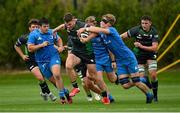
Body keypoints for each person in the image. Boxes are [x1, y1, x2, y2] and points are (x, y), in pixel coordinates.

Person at [77, 14, 153, 103]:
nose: (101, 22)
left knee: (136, 81)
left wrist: (85, 28)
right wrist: (84, 36)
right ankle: (143, 79)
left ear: (109, 24)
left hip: (128, 57)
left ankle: (149, 94)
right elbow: (95, 32)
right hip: (120, 60)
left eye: (104, 21)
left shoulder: (111, 30)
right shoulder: (102, 33)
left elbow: (98, 30)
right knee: (125, 85)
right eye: (101, 20)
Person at [54, 13, 110, 104]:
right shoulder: (67, 25)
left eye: (70, 24)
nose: (68, 26)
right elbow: (62, 26)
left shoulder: (82, 25)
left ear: (74, 20)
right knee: (68, 66)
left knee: (95, 77)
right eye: (67, 24)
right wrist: (54, 30)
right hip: (76, 52)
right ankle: (75, 87)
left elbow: (96, 32)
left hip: (88, 53)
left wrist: (87, 39)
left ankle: (105, 95)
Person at [27, 17, 72, 104]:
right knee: (54, 82)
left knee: (57, 75)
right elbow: (30, 48)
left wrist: (61, 47)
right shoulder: (33, 35)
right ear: (40, 27)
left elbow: (59, 39)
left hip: (53, 57)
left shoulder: (51, 32)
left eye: (48, 26)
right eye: (45, 26)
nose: (47, 28)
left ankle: (61, 96)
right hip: (42, 62)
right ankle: (65, 92)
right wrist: (41, 45)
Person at [14, 19, 57, 101]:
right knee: (40, 78)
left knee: (43, 78)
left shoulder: (42, 36)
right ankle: (50, 94)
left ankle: (43, 92)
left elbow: (50, 44)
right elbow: (16, 46)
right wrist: (22, 55)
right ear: (29, 28)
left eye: (36, 27)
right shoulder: (24, 37)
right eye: (33, 27)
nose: (35, 28)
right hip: (30, 61)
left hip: (41, 60)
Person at [120, 15, 159, 102]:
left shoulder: (154, 32)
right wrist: (119, 46)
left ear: (150, 23)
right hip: (139, 56)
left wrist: (141, 46)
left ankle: (155, 95)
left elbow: (155, 48)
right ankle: (149, 93)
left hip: (150, 54)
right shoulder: (136, 30)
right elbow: (121, 37)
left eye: (146, 23)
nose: (144, 25)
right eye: (142, 23)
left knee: (153, 74)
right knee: (142, 78)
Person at [84, 16, 118, 103]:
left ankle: (117, 77)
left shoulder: (100, 32)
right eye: (87, 25)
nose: (88, 27)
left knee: (112, 79)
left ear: (94, 24)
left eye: (90, 25)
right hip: (95, 60)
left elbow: (110, 47)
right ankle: (108, 96)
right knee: (97, 78)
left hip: (106, 58)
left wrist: (113, 60)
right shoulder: (87, 33)